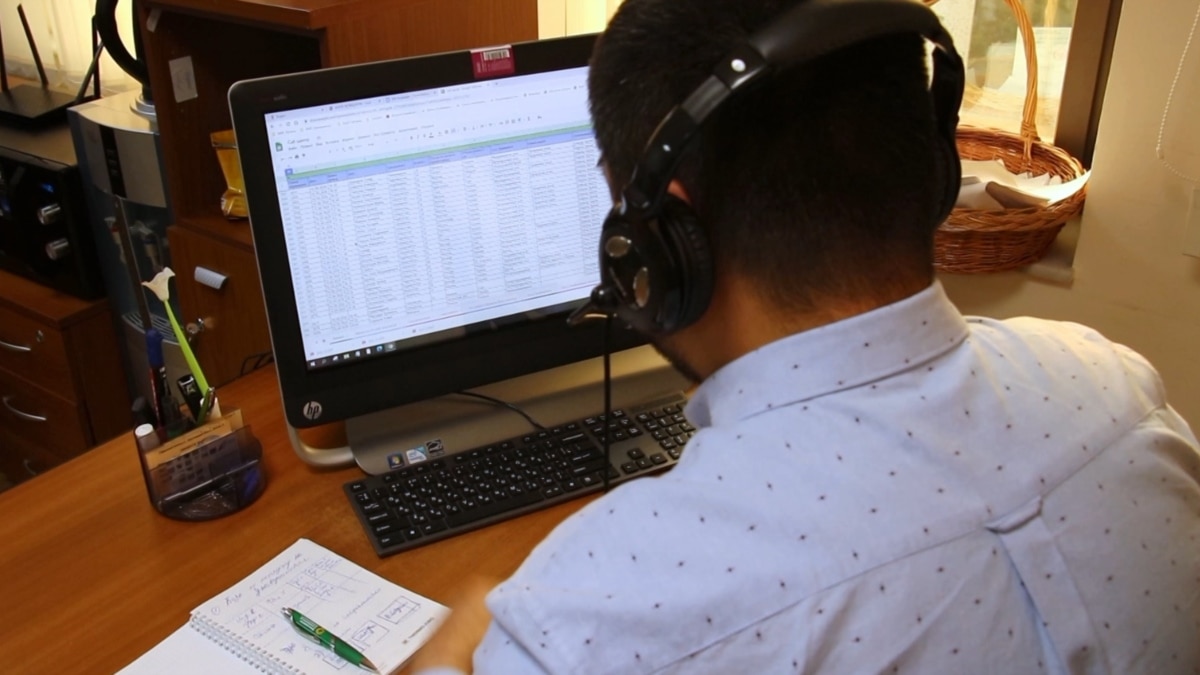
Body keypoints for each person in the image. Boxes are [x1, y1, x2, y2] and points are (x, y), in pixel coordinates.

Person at [411, 0, 1200, 672]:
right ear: (929, 167)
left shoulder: (593, 618)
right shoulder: (1123, 394)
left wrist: (462, 646)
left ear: (655, 243)